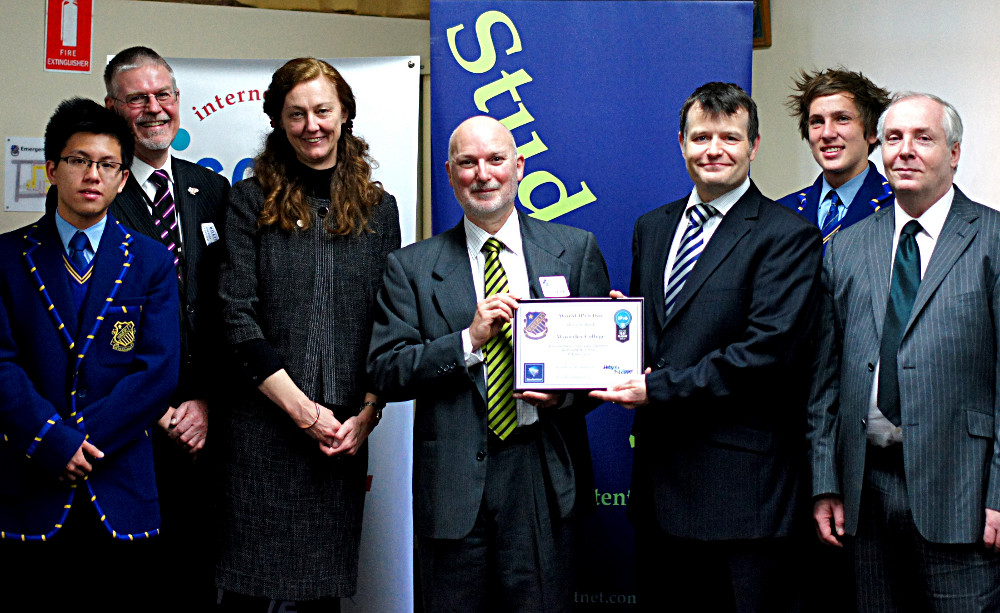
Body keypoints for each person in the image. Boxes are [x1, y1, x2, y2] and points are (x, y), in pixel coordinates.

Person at [590, 82, 823, 612]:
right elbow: (665, 337)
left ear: (754, 146)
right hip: (658, 491)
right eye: (700, 137)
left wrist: (655, 388)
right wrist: (618, 329)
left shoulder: (787, 236)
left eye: (730, 138)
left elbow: (766, 356)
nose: (714, 150)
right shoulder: (653, 227)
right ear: (681, 143)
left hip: (740, 498)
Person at [367, 115, 610, 612]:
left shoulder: (573, 250)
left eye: (496, 160)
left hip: (541, 474)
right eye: (468, 163)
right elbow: (386, 371)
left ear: (518, 167)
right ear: (450, 173)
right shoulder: (411, 267)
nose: (483, 174)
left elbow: (599, 374)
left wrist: (564, 392)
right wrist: (467, 340)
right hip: (452, 484)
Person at [215, 57, 399, 611]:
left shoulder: (379, 210)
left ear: (345, 114)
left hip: (341, 435)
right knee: (246, 595)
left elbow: (390, 322)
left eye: (322, 110)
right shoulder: (248, 201)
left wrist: (368, 413)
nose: (311, 125)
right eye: (296, 114)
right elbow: (236, 317)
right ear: (278, 120)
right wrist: (303, 412)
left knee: (321, 598)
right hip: (261, 432)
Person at [810, 92, 1000, 610]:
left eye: (923, 138)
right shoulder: (846, 247)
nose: (905, 150)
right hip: (865, 493)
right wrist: (825, 482)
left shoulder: (992, 239)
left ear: (954, 152)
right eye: (894, 138)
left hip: (964, 494)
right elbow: (824, 380)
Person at [0, 98, 179, 610]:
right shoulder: (6, 257)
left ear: (122, 179)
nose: (92, 175)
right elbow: (2, 365)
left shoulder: (150, 260)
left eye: (107, 164)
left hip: (119, 486)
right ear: (51, 169)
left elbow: (157, 373)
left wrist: (80, 442)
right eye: (78, 160)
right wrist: (52, 442)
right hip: (30, 483)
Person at [102, 46, 230, 611]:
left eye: (163, 95)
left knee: (201, 579)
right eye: (137, 99)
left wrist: (207, 400)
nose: (154, 108)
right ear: (113, 108)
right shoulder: (95, 192)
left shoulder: (213, 190)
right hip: (130, 423)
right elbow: (103, 321)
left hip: (209, 425)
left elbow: (229, 306)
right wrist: (155, 404)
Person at [778, 68, 893, 251]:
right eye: (817, 121)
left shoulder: (897, 208)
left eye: (842, 118)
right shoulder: (782, 211)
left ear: (873, 131)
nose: (827, 133)